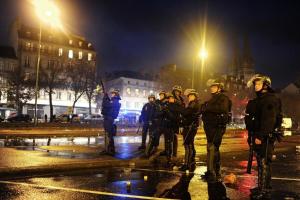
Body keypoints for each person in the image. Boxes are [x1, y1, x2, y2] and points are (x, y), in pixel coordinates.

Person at [246, 74, 282, 199]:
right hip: (258, 134)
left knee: (264, 162)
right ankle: (263, 187)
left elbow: (268, 121)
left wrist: (260, 137)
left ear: (265, 85)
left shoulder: (269, 99)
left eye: (258, 83)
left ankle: (264, 189)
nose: (256, 86)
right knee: (262, 162)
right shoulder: (260, 99)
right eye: (255, 84)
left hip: (265, 136)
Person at [201, 78, 232, 182]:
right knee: (211, 148)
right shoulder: (211, 99)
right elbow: (204, 109)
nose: (212, 88)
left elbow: (223, 109)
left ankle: (213, 172)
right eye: (211, 87)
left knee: (213, 148)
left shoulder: (223, 98)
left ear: (219, 88)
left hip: (218, 127)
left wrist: (208, 108)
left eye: (214, 87)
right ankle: (212, 171)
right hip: (209, 127)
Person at [178, 89, 201, 171]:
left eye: (191, 96)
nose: (190, 97)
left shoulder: (194, 104)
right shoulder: (193, 103)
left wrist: (180, 108)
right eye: (189, 96)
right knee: (189, 144)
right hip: (189, 127)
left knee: (187, 145)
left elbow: (186, 113)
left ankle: (186, 164)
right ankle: (189, 161)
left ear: (195, 97)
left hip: (190, 127)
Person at [163, 93, 182, 165]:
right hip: (166, 126)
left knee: (170, 142)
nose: (170, 99)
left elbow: (175, 118)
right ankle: (168, 156)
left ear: (174, 99)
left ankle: (170, 157)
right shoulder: (166, 105)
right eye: (169, 98)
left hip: (172, 127)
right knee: (167, 142)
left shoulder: (176, 107)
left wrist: (167, 111)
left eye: (171, 98)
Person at [101, 89, 121, 156]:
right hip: (108, 118)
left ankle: (111, 149)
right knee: (107, 134)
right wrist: (106, 97)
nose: (111, 94)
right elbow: (108, 104)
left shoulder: (115, 101)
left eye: (113, 93)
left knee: (109, 134)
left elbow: (105, 104)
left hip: (109, 119)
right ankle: (108, 149)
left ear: (115, 94)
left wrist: (105, 97)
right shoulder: (113, 101)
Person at [171, 85, 185, 157]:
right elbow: (173, 108)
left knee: (176, 136)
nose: (177, 93)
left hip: (178, 120)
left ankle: (174, 152)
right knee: (172, 136)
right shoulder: (171, 98)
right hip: (172, 119)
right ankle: (171, 152)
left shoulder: (181, 99)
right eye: (175, 91)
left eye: (178, 91)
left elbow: (182, 108)